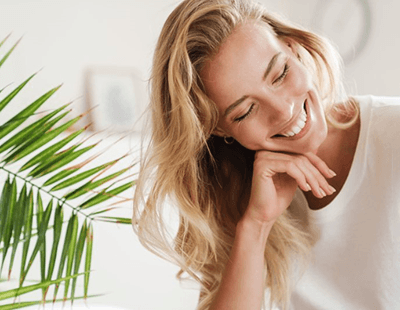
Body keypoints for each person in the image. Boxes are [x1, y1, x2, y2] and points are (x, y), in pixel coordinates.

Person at [132, 0, 400, 309]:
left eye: (280, 74)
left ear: (294, 49)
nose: (283, 110)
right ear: (219, 130)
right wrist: (256, 225)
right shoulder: (235, 199)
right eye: (245, 112)